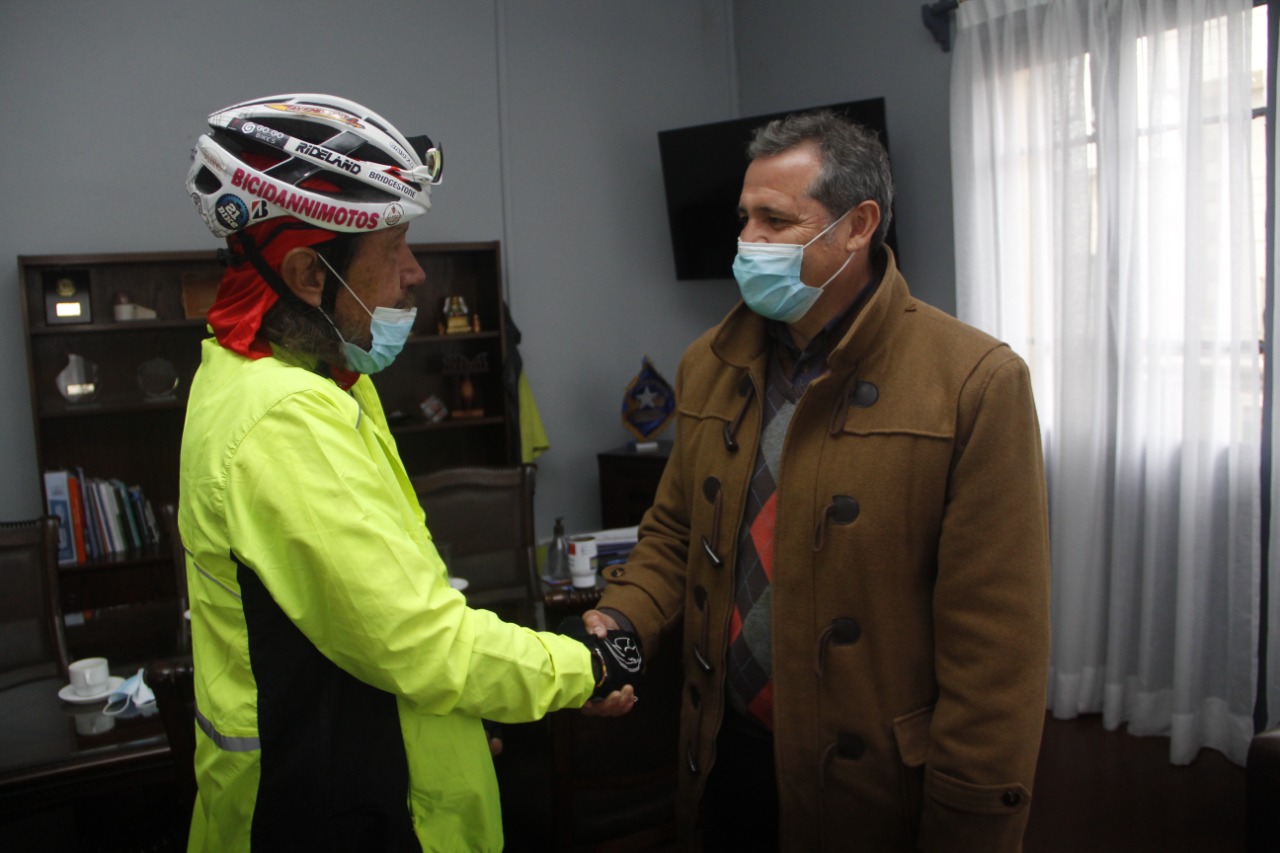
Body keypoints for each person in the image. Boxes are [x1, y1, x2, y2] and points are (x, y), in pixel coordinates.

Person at [179, 93, 638, 852]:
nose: (415, 272)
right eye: (392, 248)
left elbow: (364, 625)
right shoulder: (279, 417)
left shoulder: (284, 376)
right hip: (329, 811)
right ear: (304, 273)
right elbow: (422, 643)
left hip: (358, 771)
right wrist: (583, 665)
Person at [582, 110, 1051, 851]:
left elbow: (996, 647)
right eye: (744, 219)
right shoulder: (710, 361)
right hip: (727, 753)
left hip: (871, 780)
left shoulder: (975, 383)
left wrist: (972, 825)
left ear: (858, 225)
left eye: (776, 220)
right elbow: (674, 531)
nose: (748, 243)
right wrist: (621, 622)